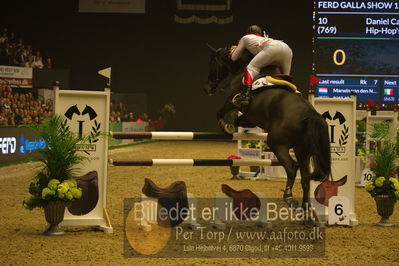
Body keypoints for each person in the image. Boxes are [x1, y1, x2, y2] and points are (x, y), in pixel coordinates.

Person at [229, 25, 293, 106]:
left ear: (248, 33)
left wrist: (233, 50)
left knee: (251, 68)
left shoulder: (245, 38)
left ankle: (246, 95)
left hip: (272, 48)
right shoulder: (265, 38)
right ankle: (293, 92)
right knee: (285, 78)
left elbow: (234, 58)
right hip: (287, 48)